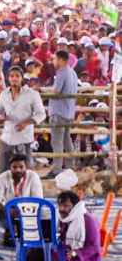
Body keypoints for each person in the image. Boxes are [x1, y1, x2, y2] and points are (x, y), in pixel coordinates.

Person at [0, 66, 46, 172]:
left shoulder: (32, 94)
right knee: (3, 169)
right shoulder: (4, 94)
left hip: (24, 136)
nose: (14, 78)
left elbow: (41, 114)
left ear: (22, 78)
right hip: (7, 136)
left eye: (17, 76)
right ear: (8, 78)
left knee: (25, 169)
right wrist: (0, 117)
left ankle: (27, 188)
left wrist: (26, 123)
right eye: (12, 76)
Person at [0, 153, 46, 246]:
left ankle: (24, 232)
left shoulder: (33, 177)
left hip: (29, 209)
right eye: (14, 167)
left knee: (45, 214)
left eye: (21, 167)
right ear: (10, 167)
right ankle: (10, 230)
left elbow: (38, 200)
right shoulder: (2, 177)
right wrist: (7, 210)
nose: (18, 170)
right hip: (9, 209)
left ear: (26, 167)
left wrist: (22, 211)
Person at [55, 191, 103, 261]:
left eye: (66, 206)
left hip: (87, 258)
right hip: (67, 254)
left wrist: (75, 253)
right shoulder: (63, 218)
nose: (61, 209)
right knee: (38, 254)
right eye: (60, 205)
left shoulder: (88, 220)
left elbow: (94, 247)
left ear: (75, 207)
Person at [47, 49, 79, 178]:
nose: (53, 61)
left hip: (59, 111)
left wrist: (43, 93)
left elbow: (56, 92)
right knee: (66, 140)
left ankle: (57, 169)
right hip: (69, 111)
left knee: (57, 141)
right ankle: (71, 166)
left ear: (61, 59)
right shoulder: (72, 72)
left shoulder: (61, 72)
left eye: (54, 58)